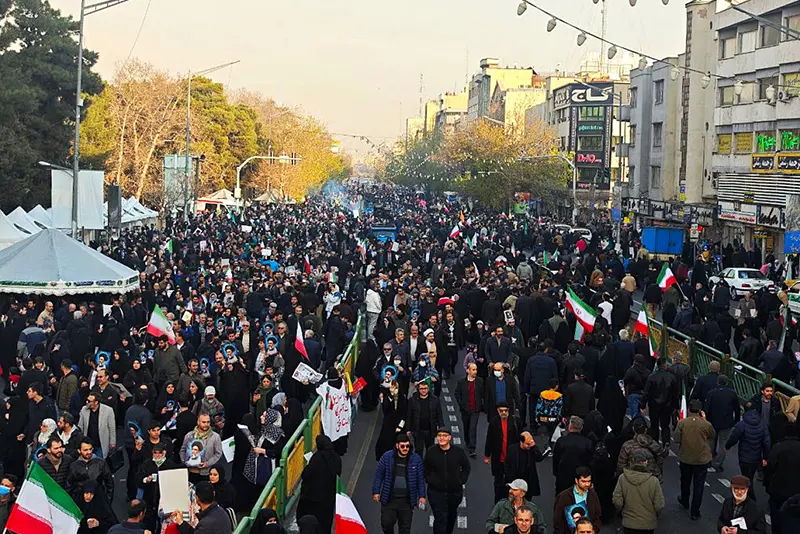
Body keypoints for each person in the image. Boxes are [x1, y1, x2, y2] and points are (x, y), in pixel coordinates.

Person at [372, 434, 426, 534]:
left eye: (407, 446)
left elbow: (420, 480)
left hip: (407, 501)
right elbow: (379, 475)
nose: (405, 448)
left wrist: (422, 496)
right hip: (389, 499)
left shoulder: (416, 460)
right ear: (397, 446)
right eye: (402, 446)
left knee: (405, 528)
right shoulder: (387, 457)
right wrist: (376, 491)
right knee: (386, 523)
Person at [424, 427, 471, 534]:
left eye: (444, 436)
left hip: (454, 493)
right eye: (439, 436)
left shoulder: (458, 452)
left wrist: (461, 480)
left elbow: (466, 467)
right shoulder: (431, 451)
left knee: (451, 517)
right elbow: (425, 468)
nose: (442, 438)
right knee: (440, 519)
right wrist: (431, 480)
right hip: (436, 493)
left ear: (450, 438)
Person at [675, 400, 715, 520]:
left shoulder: (682, 423)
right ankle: (695, 511)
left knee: (685, 481)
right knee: (699, 485)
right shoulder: (705, 424)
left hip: (686, 458)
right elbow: (712, 435)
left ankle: (685, 500)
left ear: (689, 410)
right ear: (700, 411)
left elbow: (676, 439)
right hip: (701, 459)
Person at [296, 435, 341, 534]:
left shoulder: (317, 458)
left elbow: (306, 474)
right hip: (328, 498)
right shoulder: (336, 458)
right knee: (325, 522)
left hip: (313, 498)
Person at [612, 449, 664, 534]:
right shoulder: (654, 481)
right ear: (646, 462)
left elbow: (617, 501)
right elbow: (659, 505)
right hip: (648, 524)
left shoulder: (623, 478)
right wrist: (654, 516)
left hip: (629, 523)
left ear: (632, 461)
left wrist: (622, 512)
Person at [764, 420, 800, 534]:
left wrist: (767, 485)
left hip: (779, 489)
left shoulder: (778, 447)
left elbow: (769, 468)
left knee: (776, 518)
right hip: (796, 491)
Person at [725, 405, 770, 495]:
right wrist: (765, 457)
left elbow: (734, 436)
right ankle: (748, 496)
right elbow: (767, 442)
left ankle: (749, 497)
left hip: (744, 456)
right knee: (750, 477)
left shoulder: (742, 424)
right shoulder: (762, 424)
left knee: (746, 477)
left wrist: (728, 446)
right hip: (756, 456)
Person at [485, 402, 521, 503]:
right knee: (498, 481)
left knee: (511, 480)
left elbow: (521, 437)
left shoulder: (515, 421)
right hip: (498, 456)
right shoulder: (494, 422)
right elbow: (489, 439)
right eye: (501, 411)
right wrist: (487, 455)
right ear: (498, 411)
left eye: (506, 411)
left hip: (511, 457)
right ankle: (498, 501)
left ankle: (510, 500)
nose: (504, 413)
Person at [704, 374, 740, 472]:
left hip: (713, 421)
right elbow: (737, 408)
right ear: (727, 382)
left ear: (717, 382)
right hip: (726, 423)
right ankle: (718, 464)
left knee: (711, 442)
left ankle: (708, 461)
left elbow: (707, 408)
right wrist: (736, 420)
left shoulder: (711, 393)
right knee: (723, 444)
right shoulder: (732, 393)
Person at [553, 466, 602, 534]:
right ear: (576, 480)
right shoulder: (564, 496)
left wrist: (594, 530)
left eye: (589, 481)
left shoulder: (593, 495)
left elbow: (598, 516)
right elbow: (558, 520)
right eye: (584, 481)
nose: (587, 484)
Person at [641, 357, 678, 446]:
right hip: (667, 406)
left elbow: (646, 392)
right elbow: (675, 394)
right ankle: (666, 442)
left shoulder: (652, 377)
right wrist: (675, 406)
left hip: (654, 405)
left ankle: (655, 443)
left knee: (654, 425)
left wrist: (643, 405)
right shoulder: (671, 377)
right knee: (665, 425)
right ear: (665, 365)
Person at [552, 416, 593, 494]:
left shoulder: (561, 441)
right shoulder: (588, 443)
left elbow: (556, 459)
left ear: (570, 426)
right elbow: (590, 462)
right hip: (581, 477)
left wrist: (556, 473)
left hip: (564, 477)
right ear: (581, 428)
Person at [67, 438, 114, 504]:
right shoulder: (74, 466)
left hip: (98, 500)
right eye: (85, 450)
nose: (89, 452)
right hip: (80, 502)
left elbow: (109, 483)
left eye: (90, 449)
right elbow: (69, 486)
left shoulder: (101, 463)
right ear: (79, 451)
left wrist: (107, 501)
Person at [179, 414, 222, 484]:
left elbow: (218, 454)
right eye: (203, 422)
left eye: (208, 422)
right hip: (190, 472)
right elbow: (183, 450)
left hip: (206, 473)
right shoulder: (189, 435)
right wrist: (184, 461)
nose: (206, 424)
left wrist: (207, 463)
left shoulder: (215, 437)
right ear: (198, 422)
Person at [454, 362, 484, 457]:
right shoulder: (461, 382)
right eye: (473, 369)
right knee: (466, 427)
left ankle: (472, 448)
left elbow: (483, 394)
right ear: (468, 370)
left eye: (476, 369)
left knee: (472, 428)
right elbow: (457, 393)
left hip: (476, 410)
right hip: (465, 410)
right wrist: (461, 405)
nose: (475, 371)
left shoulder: (480, 381)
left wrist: (482, 405)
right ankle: (467, 442)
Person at [408, 381, 443, 457]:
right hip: (417, 430)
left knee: (430, 450)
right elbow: (409, 415)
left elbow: (439, 414)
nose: (423, 390)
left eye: (425, 388)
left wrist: (441, 428)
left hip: (430, 430)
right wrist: (408, 429)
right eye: (421, 388)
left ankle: (429, 464)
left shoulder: (435, 400)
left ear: (428, 389)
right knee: (418, 450)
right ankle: (419, 464)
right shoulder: (412, 400)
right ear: (418, 389)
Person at [504, 431, 543, 498]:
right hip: (515, 481)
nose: (529, 445)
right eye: (527, 444)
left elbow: (539, 458)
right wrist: (510, 480)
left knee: (527, 501)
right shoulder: (512, 449)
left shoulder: (532, 449)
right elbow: (507, 465)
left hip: (528, 482)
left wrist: (534, 447)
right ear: (521, 442)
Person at [78, 392, 116, 458]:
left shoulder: (108, 410)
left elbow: (112, 428)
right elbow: (80, 426)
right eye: (87, 400)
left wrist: (112, 442)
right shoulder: (84, 409)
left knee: (99, 462)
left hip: (101, 443)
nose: (87, 402)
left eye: (89, 401)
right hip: (88, 444)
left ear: (96, 402)